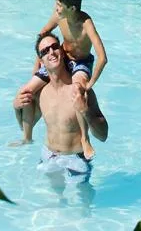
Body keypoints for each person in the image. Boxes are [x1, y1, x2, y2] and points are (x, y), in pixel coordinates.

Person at [12, 0, 109, 149]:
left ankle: (85, 139)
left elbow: (103, 58)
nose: (55, 8)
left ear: (71, 8)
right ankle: (26, 137)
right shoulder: (59, 16)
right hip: (62, 57)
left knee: (77, 91)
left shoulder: (86, 24)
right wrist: (37, 65)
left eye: (59, 5)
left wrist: (90, 84)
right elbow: (42, 34)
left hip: (81, 63)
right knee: (25, 92)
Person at [36, 35, 93, 185]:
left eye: (55, 47)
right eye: (45, 51)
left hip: (76, 158)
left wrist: (86, 111)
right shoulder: (41, 92)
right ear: (41, 61)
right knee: (56, 200)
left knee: (84, 204)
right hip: (49, 155)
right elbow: (28, 120)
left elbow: (103, 134)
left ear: (62, 51)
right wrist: (17, 104)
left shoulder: (80, 90)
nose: (51, 52)